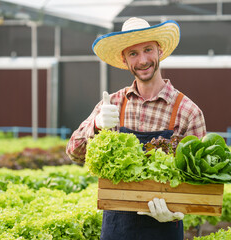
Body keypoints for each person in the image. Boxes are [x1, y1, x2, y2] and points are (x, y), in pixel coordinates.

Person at [66, 17, 207, 240]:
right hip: (116, 229)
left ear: (160, 50)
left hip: (164, 229)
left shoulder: (188, 112)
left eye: (148, 49)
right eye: (133, 53)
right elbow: (74, 152)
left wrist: (177, 212)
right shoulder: (111, 104)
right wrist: (96, 125)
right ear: (124, 59)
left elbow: (200, 182)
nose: (142, 60)